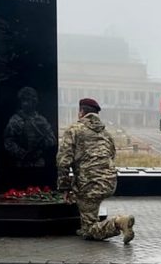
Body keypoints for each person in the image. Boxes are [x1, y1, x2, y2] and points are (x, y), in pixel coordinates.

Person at [56, 97, 135, 244]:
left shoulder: (74, 130)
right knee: (90, 212)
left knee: (89, 231)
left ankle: (118, 223)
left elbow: (63, 161)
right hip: (110, 182)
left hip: (89, 185)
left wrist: (65, 187)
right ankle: (89, 222)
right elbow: (111, 155)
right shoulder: (106, 134)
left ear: (81, 112)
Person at [4, 86, 56, 167]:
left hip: (38, 162)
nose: (27, 103)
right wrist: (23, 154)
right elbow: (8, 142)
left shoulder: (41, 120)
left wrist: (43, 145)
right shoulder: (15, 120)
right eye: (24, 100)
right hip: (21, 163)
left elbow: (52, 139)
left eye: (30, 100)